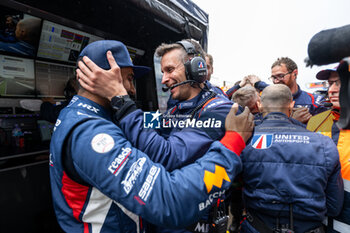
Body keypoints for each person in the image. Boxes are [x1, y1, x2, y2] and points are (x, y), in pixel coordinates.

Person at [50, 40, 254, 233]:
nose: (131, 89)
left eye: (170, 70)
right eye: (129, 79)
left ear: (196, 67)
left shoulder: (217, 109)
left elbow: (158, 137)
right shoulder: (91, 131)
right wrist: (121, 100)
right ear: (106, 78)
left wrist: (122, 102)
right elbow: (169, 193)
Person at [240, 84, 343, 233]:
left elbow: (234, 189)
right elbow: (334, 206)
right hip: (309, 227)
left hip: (256, 225)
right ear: (292, 105)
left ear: (259, 105)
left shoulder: (245, 139)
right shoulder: (324, 143)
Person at [307, 67, 350, 232]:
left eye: (339, 83)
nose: (331, 90)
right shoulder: (316, 121)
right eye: (330, 83)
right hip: (322, 221)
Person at [246, 57, 328, 124]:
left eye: (281, 76)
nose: (276, 81)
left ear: (295, 73)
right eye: (273, 77)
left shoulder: (314, 101)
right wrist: (293, 121)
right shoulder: (266, 100)